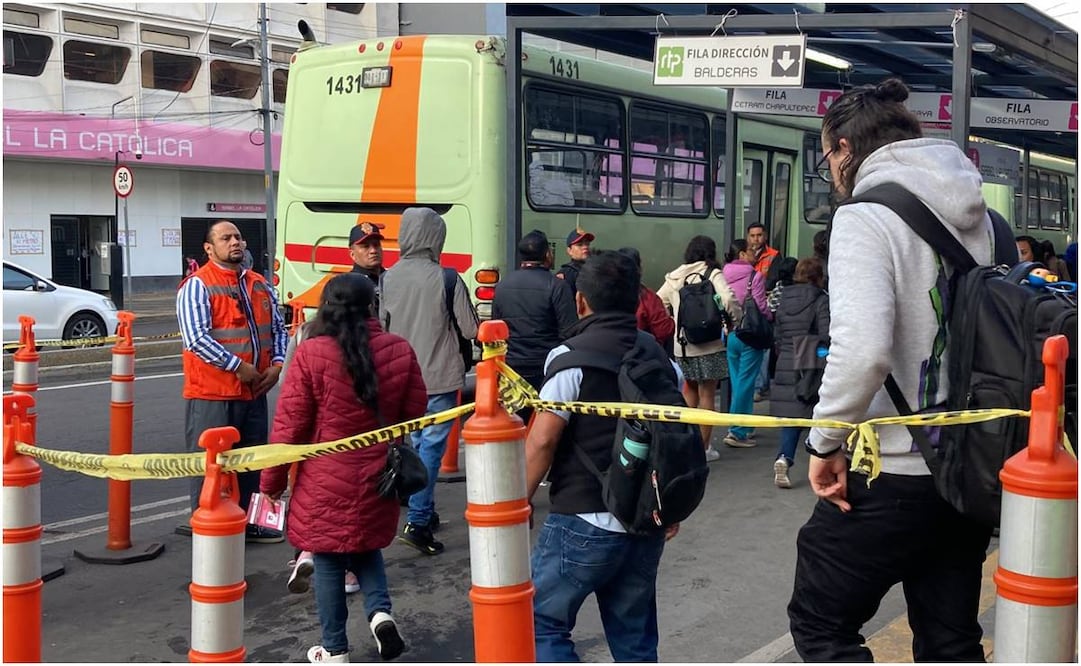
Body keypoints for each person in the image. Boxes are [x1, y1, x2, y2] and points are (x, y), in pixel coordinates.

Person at [789, 78, 997, 662]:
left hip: (890, 473)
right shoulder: (986, 220)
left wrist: (824, 442)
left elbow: (863, 352)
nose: (830, 170)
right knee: (950, 638)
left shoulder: (866, 215)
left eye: (828, 156)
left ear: (846, 149)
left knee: (821, 626)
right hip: (966, 472)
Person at [261, 273, 427, 663]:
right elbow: (415, 411)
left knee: (329, 558)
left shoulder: (311, 353)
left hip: (323, 478)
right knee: (367, 548)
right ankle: (381, 615)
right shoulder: (398, 349)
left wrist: (271, 480)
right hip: (380, 474)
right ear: (372, 305)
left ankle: (334, 650)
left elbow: (290, 426)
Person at [524, 250, 681, 662]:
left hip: (583, 518)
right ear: (637, 300)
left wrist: (517, 499)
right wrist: (669, 506)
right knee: (635, 639)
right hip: (645, 521)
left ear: (580, 301)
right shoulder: (658, 356)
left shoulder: (567, 358)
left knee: (540, 622)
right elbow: (677, 434)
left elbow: (542, 440)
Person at [176, 220, 288, 543]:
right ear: (209, 249)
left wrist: (278, 365)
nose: (235, 242)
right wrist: (238, 367)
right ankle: (207, 525)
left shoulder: (260, 284)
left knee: (252, 460)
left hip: (253, 392)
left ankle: (251, 523)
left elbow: (279, 329)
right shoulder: (197, 286)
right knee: (211, 465)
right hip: (212, 394)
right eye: (226, 238)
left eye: (238, 237)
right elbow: (196, 338)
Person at [380, 207, 478, 556]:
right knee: (431, 451)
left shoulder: (387, 278)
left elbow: (382, 328)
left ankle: (424, 508)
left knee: (415, 443)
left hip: (400, 377)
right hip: (438, 377)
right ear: (437, 238)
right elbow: (471, 330)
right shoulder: (447, 278)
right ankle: (419, 522)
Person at [657, 235, 740, 460]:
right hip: (709, 344)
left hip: (682, 345)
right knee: (707, 394)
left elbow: (659, 300)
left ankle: (684, 443)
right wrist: (733, 321)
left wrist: (674, 322)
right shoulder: (712, 273)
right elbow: (729, 299)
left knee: (689, 390)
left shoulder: (675, 276)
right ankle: (703, 449)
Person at [768, 257, 829, 489]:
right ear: (817, 277)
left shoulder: (784, 298)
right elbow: (826, 333)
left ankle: (784, 457)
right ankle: (824, 466)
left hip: (786, 359)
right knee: (823, 413)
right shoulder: (821, 299)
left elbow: (779, 333)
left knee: (792, 417)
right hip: (812, 362)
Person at [492, 230, 577, 393]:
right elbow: (569, 331)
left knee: (517, 416)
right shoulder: (557, 286)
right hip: (547, 366)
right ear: (547, 254)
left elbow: (497, 327)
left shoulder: (503, 285)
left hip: (511, 366)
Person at [721, 239, 772, 448]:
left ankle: (746, 425)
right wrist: (770, 316)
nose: (754, 253)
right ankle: (737, 431)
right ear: (741, 255)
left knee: (738, 381)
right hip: (750, 335)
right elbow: (761, 306)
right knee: (746, 383)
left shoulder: (722, 275)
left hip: (730, 334)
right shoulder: (755, 276)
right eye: (750, 251)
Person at [619, 246, 675, 354]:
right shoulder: (647, 297)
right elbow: (664, 331)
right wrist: (670, 319)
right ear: (639, 268)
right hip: (643, 356)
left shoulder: (605, 293)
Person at [349, 221, 386, 312]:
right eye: (365, 246)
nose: (373, 250)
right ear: (352, 254)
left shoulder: (392, 278)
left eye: (376, 245)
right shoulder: (347, 286)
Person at [554, 228, 594, 296]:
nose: (585, 247)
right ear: (569, 251)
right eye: (580, 244)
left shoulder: (593, 269)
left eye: (587, 244)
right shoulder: (567, 273)